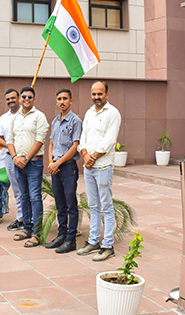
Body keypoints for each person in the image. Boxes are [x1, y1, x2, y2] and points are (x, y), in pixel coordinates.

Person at [77, 81, 122, 262]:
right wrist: (85, 154)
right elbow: (83, 137)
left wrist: (92, 157)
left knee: (106, 206)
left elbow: (110, 140)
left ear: (107, 94)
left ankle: (108, 246)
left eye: (100, 94)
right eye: (94, 94)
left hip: (103, 166)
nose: (96, 97)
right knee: (93, 206)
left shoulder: (113, 113)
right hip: (89, 166)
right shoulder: (89, 113)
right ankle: (94, 241)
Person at [6, 86, 49, 248]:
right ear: (19, 99)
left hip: (34, 163)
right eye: (23, 96)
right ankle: (27, 229)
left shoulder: (39, 116)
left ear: (34, 99)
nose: (26, 99)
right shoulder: (15, 118)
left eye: (30, 97)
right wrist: (15, 157)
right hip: (18, 163)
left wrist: (26, 158)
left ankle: (37, 234)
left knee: (35, 197)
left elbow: (40, 140)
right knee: (23, 196)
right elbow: (9, 139)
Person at [45, 89, 82, 254]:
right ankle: (61, 235)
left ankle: (71, 239)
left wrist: (58, 162)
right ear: (56, 102)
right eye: (59, 99)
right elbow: (51, 144)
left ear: (71, 101)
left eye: (65, 98)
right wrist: (51, 162)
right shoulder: (54, 121)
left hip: (67, 167)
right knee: (59, 204)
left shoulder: (76, 121)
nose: (62, 101)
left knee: (70, 204)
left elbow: (75, 147)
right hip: (56, 168)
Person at [0, 88, 23, 232]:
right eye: (8, 99)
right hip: (9, 158)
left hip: (25, 157)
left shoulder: (26, 114)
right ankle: (21, 218)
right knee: (17, 189)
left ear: (18, 98)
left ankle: (31, 218)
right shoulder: (4, 118)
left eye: (13, 98)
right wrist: (11, 146)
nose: (11, 101)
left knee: (28, 190)